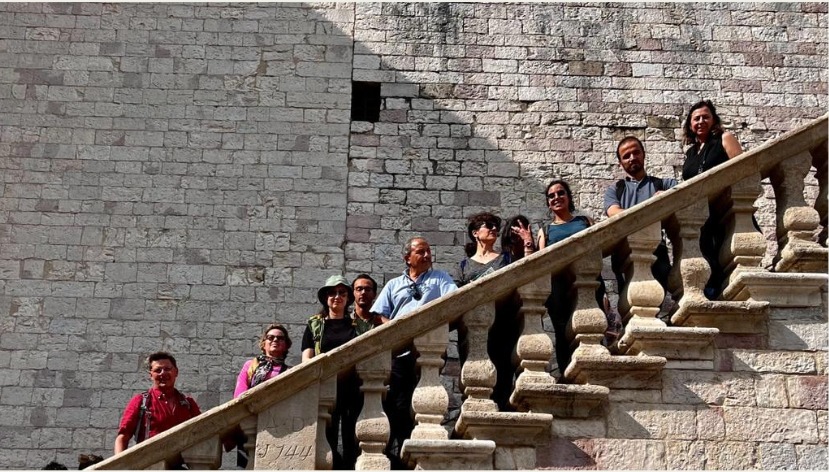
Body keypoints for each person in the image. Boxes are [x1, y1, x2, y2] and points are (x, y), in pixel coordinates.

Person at [370, 237, 458, 465]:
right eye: (421, 252)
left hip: (428, 351)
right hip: (399, 354)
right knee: (399, 402)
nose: (427, 255)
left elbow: (456, 300)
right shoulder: (393, 284)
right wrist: (396, 330)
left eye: (429, 251)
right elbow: (379, 314)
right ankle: (402, 452)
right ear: (408, 258)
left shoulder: (441, 279)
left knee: (424, 400)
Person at [456, 213, 533, 410]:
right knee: (473, 371)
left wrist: (527, 242)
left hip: (503, 325)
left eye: (496, 227)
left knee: (502, 372)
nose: (493, 229)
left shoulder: (506, 258)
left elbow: (528, 272)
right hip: (474, 328)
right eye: (488, 225)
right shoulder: (464, 265)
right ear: (475, 233)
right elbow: (456, 296)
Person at [538, 180, 611, 376]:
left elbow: (598, 248)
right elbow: (542, 263)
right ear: (548, 203)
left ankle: (596, 368)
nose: (556, 198)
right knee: (563, 332)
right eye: (551, 196)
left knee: (593, 325)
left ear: (569, 197)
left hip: (589, 281)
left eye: (560, 193)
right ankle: (567, 372)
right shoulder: (545, 231)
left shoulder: (585, 222)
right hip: (558, 288)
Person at [682, 99, 745, 299]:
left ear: (714, 120)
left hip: (721, 206)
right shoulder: (691, 152)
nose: (701, 121)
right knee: (707, 255)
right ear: (690, 125)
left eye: (705, 117)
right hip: (702, 214)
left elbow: (742, 169)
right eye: (696, 118)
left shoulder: (725, 138)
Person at [301, 275, 364, 470]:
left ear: (347, 298)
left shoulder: (358, 325)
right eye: (332, 293)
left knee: (351, 438)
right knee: (326, 439)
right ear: (325, 297)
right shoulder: (314, 325)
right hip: (325, 390)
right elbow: (307, 358)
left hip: (353, 390)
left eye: (342, 293)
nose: (337, 297)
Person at [604, 136, 678, 292]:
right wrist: (655, 207)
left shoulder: (665, 184)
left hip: (657, 251)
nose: (632, 158)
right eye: (626, 156)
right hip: (625, 252)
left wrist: (667, 197)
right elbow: (614, 213)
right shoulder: (614, 190)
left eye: (636, 152)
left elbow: (681, 195)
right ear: (620, 163)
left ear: (643, 154)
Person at [114, 352, 201, 455]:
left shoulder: (188, 404)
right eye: (158, 370)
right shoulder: (140, 401)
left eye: (167, 369)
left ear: (176, 372)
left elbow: (204, 430)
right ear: (151, 375)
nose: (163, 373)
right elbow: (123, 437)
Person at [231, 324, 293, 467]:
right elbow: (239, 394)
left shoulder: (290, 371)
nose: (275, 340)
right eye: (270, 337)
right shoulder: (250, 365)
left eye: (280, 338)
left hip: (277, 425)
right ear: (263, 343)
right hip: (250, 423)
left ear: (286, 345)